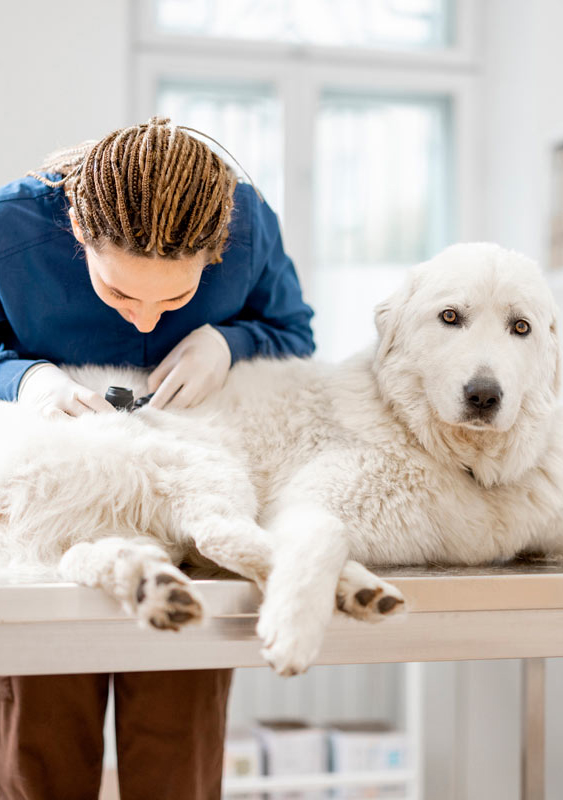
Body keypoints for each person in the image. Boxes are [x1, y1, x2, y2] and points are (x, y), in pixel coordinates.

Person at [0, 116, 315, 800]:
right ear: (79, 233)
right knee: (42, 754)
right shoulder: (10, 227)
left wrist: (232, 342)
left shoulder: (250, 225)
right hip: (57, 515)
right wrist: (24, 378)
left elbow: (294, 332)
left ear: (217, 250)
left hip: (190, 508)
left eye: (175, 297)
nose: (145, 320)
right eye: (118, 293)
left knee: (179, 761)